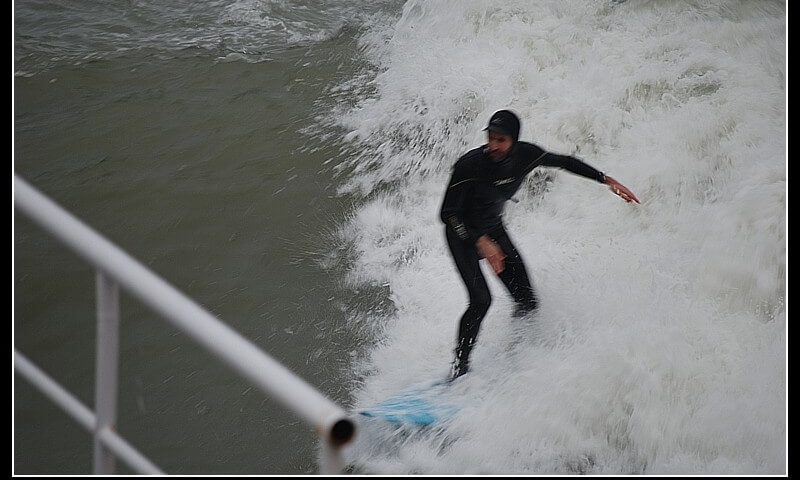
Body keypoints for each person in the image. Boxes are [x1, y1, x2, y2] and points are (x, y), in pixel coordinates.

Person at [440, 110, 639, 380]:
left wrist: (606, 180)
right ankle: (458, 370)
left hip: (493, 229)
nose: (493, 146)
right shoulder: (470, 165)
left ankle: (514, 353)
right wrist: (479, 241)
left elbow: (563, 161)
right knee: (481, 300)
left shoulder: (525, 155)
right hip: (463, 235)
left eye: (501, 140)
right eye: (490, 138)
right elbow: (448, 214)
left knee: (527, 301)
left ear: (514, 140)